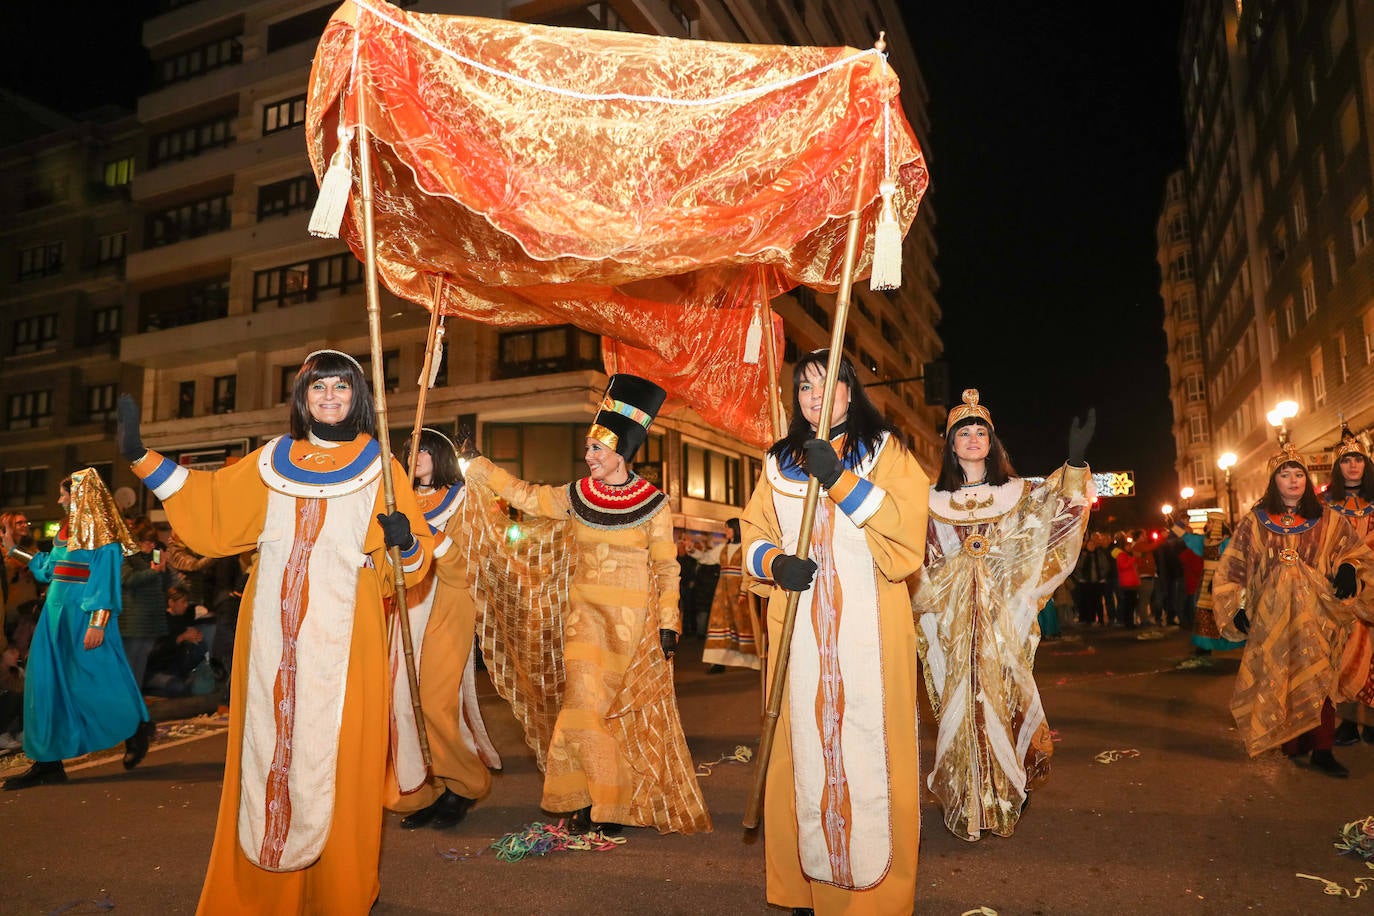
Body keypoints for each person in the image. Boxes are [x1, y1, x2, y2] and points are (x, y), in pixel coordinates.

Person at [117, 349, 432, 915]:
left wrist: (405, 541)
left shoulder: (381, 466)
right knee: (265, 752)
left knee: (342, 755)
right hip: (269, 636)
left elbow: (412, 566)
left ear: (357, 397)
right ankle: (259, 897)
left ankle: (338, 894)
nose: (329, 397)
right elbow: (208, 503)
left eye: (341, 387)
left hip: (349, 634)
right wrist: (141, 456)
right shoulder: (271, 459)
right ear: (302, 397)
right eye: (318, 388)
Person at [462, 374, 709, 835]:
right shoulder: (576, 495)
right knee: (581, 706)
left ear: (621, 452)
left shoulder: (655, 504)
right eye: (588, 448)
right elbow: (526, 496)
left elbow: (667, 568)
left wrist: (669, 621)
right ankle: (587, 798)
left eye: (598, 448)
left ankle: (612, 804)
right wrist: (480, 467)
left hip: (635, 624)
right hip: (584, 622)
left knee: (617, 714)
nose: (589, 456)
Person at [740, 350, 927, 914]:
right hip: (798, 637)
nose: (814, 397)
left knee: (874, 754)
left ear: (851, 390)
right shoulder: (776, 461)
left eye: (827, 385)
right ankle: (802, 889)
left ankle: (875, 900)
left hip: (870, 637)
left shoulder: (886, 451)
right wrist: (773, 563)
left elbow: (905, 537)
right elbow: (751, 532)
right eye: (803, 388)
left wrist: (840, 480)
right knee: (797, 755)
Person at [912, 389, 1094, 842]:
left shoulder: (1019, 494)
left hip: (1002, 621)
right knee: (959, 701)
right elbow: (913, 556)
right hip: (948, 622)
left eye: (981, 432)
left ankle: (1008, 786)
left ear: (992, 444)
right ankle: (967, 795)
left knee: (1005, 695)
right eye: (963, 433)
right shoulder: (928, 501)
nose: (973, 439)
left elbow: (1059, 520)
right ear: (951, 446)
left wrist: (1073, 463)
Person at [1211, 442, 1374, 778]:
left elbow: (1354, 552)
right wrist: (1238, 606)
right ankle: (1292, 742)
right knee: (1280, 676)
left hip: (1318, 615)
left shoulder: (1326, 518)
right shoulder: (1254, 521)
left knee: (1320, 678)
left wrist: (1347, 568)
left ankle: (1323, 749)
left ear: (1307, 479)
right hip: (1271, 617)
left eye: (1298, 473)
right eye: (1285, 474)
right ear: (1274, 481)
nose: (1293, 480)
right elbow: (1234, 568)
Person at [1, 469, 152, 789]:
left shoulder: (103, 537)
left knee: (96, 683)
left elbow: (106, 580)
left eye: (64, 494)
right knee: (42, 686)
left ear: (81, 496)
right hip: (54, 619)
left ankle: (137, 726)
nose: (59, 499)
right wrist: (15, 550)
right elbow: (49, 569)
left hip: (84, 619)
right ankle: (47, 763)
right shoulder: (67, 531)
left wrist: (98, 622)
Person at [384, 427, 499, 831]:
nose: (416, 457)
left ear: (441, 456)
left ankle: (464, 785)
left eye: (425, 451)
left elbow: (472, 563)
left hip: (448, 605)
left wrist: (425, 537)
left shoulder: (464, 499)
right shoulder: (393, 502)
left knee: (434, 702)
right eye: (410, 451)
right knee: (402, 704)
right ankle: (426, 787)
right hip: (404, 611)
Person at [1324, 425, 1374, 746]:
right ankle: (1345, 722)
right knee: (1338, 656)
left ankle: (1370, 722)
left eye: (1358, 459)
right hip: (1337, 591)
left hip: (1371, 590)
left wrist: (1359, 563)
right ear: (1338, 467)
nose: (1353, 465)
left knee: (1371, 658)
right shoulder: (1325, 504)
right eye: (1346, 461)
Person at [119, 519, 172, 693]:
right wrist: (153, 572)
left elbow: (164, 582)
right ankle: (127, 700)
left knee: (142, 660)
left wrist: (164, 570)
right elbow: (127, 579)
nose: (150, 545)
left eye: (153, 542)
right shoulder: (127, 555)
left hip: (151, 618)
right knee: (130, 661)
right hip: (133, 619)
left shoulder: (154, 555)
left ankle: (137, 699)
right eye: (146, 542)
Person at [701, 518, 760, 672]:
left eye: (728, 528)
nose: (725, 531)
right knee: (720, 624)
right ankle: (718, 662)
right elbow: (706, 558)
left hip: (738, 593)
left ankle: (751, 660)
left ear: (735, 529)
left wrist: (743, 591)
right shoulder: (722, 548)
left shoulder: (744, 548)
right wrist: (691, 550)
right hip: (722, 592)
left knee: (742, 625)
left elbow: (746, 572)